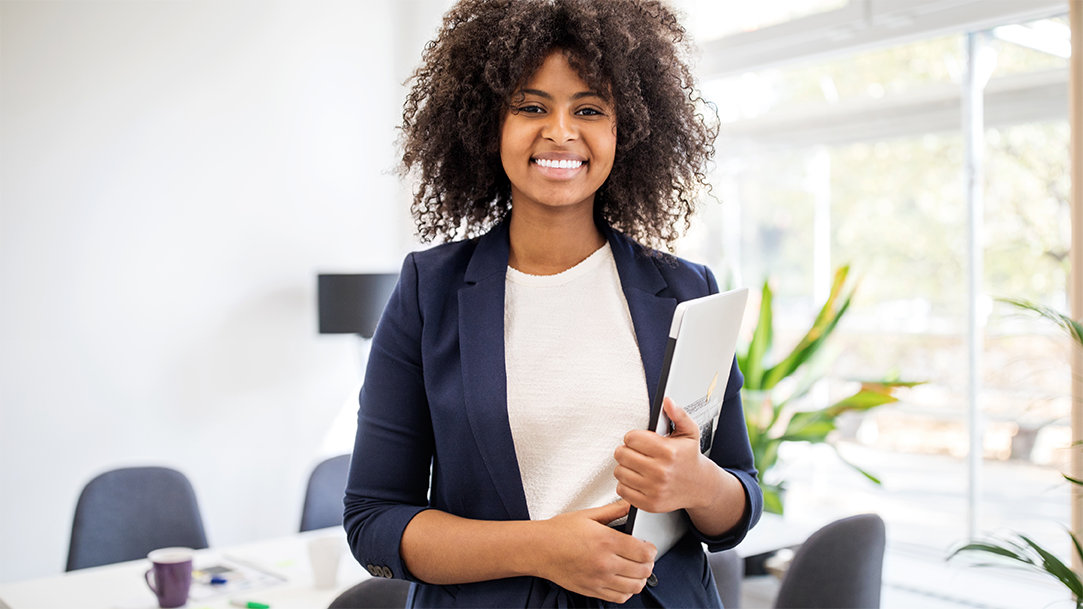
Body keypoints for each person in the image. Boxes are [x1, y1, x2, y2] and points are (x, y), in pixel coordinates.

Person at [343, 1, 763, 606]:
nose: (561, 131)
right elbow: (374, 521)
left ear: (628, 129)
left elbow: (737, 507)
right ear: (490, 124)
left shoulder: (686, 288)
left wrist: (699, 484)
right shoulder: (426, 292)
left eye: (589, 109)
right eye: (531, 106)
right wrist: (542, 547)